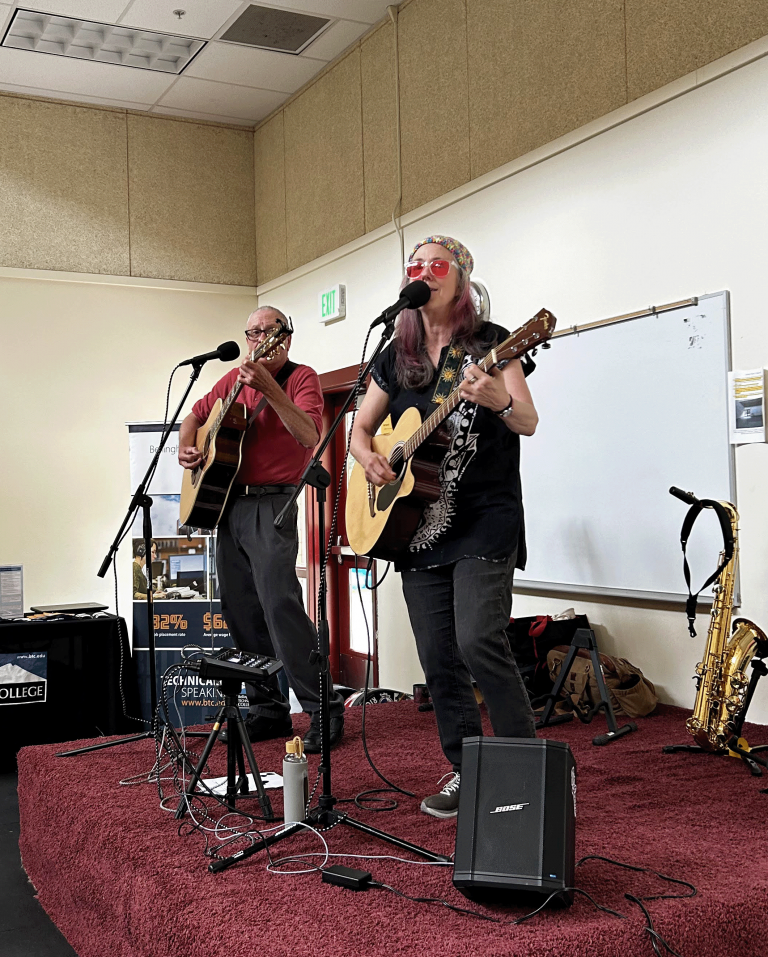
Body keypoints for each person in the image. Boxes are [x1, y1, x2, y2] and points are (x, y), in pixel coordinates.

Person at [350, 235, 538, 818]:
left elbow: (528, 420)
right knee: (437, 655)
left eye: (437, 266)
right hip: (416, 527)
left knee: (479, 637)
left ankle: (525, 765)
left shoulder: (493, 343)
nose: (424, 274)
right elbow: (359, 430)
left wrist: (497, 399)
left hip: (485, 517)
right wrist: (369, 458)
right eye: (416, 266)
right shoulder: (394, 354)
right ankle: (465, 766)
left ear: (461, 279)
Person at [178, 306, 344, 752]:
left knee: (279, 605)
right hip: (228, 503)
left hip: (273, 501)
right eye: (252, 332)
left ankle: (323, 710)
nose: (257, 339)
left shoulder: (302, 377)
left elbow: (309, 435)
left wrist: (269, 388)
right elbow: (195, 415)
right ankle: (267, 708)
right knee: (240, 608)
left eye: (266, 331)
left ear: (284, 337)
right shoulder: (230, 379)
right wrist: (187, 446)